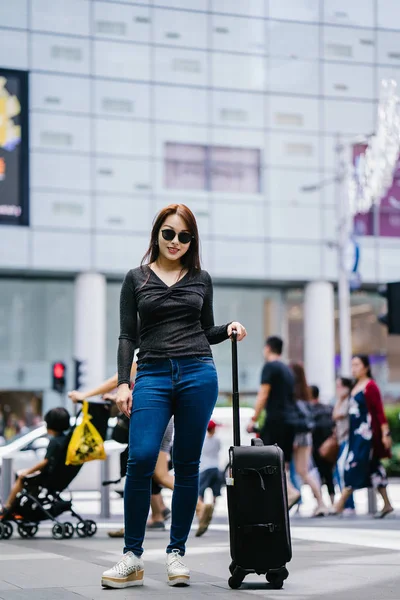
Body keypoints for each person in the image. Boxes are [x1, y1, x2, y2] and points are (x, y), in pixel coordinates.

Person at [101, 203, 246, 589]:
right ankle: (132, 557)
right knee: (142, 456)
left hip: (199, 371)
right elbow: (126, 336)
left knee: (186, 462)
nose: (176, 241)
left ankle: (176, 554)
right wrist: (121, 382)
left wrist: (227, 327)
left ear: (191, 240)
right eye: (169, 233)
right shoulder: (136, 278)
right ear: (157, 235)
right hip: (152, 373)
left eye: (185, 236)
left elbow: (205, 329)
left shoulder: (201, 278)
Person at [69, 370, 174, 537]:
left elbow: (118, 380)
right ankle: (157, 513)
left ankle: (197, 505)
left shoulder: (144, 348)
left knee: (145, 471)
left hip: (153, 416)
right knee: (147, 471)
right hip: (158, 415)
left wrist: (85, 394)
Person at [334, 355, 394, 518]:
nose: (354, 368)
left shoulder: (370, 386)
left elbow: (379, 412)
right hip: (355, 435)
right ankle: (387, 504)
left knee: (353, 464)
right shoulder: (355, 386)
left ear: (366, 367)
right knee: (374, 469)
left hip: (366, 435)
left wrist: (385, 433)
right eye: (352, 365)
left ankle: (340, 503)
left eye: (357, 365)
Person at [246, 336, 300, 509]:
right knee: (281, 461)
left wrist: (253, 418)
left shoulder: (270, 367)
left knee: (267, 458)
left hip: (276, 419)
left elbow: (263, 393)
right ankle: (284, 495)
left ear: (268, 348)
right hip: (290, 421)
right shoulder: (287, 369)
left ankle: (289, 492)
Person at [0, 407, 70, 517]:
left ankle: (7, 506)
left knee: (22, 478)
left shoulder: (54, 442)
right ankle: (26, 506)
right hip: (56, 478)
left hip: (47, 478)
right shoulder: (66, 440)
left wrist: (27, 471)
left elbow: (45, 462)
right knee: (32, 483)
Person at [291, 364, 328, 517]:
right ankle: (320, 503)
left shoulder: (294, 394)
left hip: (297, 436)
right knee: (304, 472)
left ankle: (319, 503)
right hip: (306, 436)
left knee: (296, 471)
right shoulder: (306, 393)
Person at [309, 385, 336, 506]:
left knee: (316, 476)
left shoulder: (309, 410)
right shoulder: (328, 408)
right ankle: (332, 502)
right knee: (329, 475)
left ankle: (320, 504)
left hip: (315, 448)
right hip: (329, 447)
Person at [333, 377, 355, 514]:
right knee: (339, 472)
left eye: (339, 386)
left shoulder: (349, 401)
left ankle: (349, 504)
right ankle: (345, 503)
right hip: (341, 440)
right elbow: (334, 415)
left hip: (348, 440)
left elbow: (337, 415)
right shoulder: (341, 401)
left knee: (343, 471)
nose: (338, 389)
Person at [195, 419, 222, 538]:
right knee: (215, 493)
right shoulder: (217, 440)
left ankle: (201, 512)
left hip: (204, 468)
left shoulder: (203, 440)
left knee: (200, 492)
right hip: (216, 468)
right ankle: (211, 510)